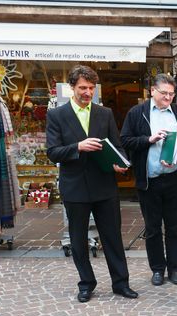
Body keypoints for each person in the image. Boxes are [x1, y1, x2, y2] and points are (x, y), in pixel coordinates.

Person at [46, 65, 138, 303]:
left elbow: (117, 146)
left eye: (91, 88)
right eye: (83, 88)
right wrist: (78, 146)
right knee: (78, 240)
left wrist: (120, 163)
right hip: (74, 187)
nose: (87, 92)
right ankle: (86, 284)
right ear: (72, 87)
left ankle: (121, 283)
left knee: (113, 238)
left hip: (105, 185)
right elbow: (53, 152)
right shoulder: (57, 115)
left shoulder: (104, 113)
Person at [120, 73, 177, 287]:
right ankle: (157, 270)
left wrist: (176, 157)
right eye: (164, 93)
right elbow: (125, 140)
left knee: (174, 228)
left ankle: (174, 269)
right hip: (149, 180)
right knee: (152, 228)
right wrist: (148, 139)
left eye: (171, 94)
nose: (168, 97)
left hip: (174, 179)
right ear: (152, 91)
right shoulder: (137, 113)